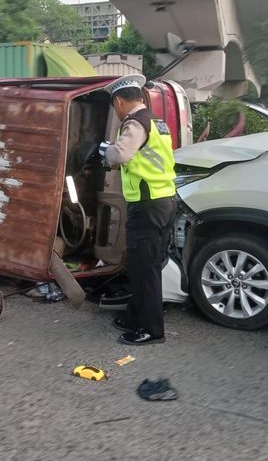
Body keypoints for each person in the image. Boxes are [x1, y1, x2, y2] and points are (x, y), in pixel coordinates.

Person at [98, 75, 177, 345]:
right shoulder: (156, 121)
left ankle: (152, 330)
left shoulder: (134, 122)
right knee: (142, 265)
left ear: (119, 101)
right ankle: (135, 316)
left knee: (146, 269)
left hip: (148, 205)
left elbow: (120, 155)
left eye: (114, 106)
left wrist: (105, 152)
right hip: (162, 199)